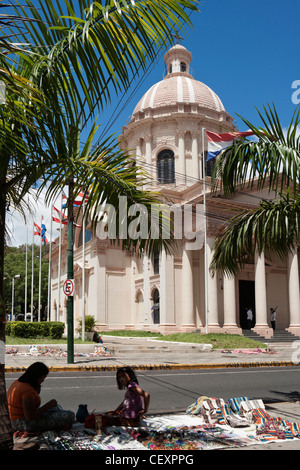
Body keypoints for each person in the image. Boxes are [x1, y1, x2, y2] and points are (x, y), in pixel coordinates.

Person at [7, 361, 75, 432]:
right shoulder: (27, 390)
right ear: (37, 377)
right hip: (21, 423)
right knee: (70, 415)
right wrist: (48, 405)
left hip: (17, 419)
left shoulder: (18, 382)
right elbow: (30, 417)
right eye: (43, 378)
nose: (43, 380)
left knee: (57, 407)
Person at [98, 367, 150, 431]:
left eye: (123, 376)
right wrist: (115, 411)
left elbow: (146, 395)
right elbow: (125, 402)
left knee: (99, 419)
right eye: (119, 377)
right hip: (132, 418)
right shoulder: (130, 387)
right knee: (110, 414)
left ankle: (98, 433)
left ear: (130, 375)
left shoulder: (132, 386)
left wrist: (145, 410)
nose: (121, 379)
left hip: (131, 420)